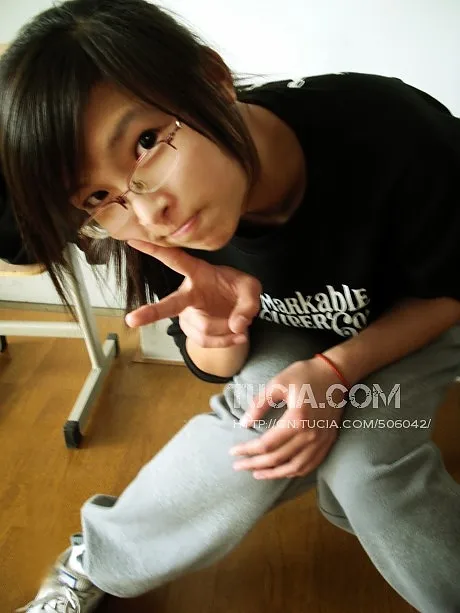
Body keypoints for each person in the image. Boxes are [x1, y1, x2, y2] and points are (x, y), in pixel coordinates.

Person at [1, 1, 460, 611]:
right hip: (291, 335)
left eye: (145, 143)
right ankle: (101, 558)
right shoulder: (146, 231)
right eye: (98, 196)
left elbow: (451, 287)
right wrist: (215, 333)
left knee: (366, 467)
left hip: (417, 315)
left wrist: (335, 371)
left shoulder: (391, 130)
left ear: (212, 80)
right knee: (262, 423)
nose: (149, 210)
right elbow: (216, 369)